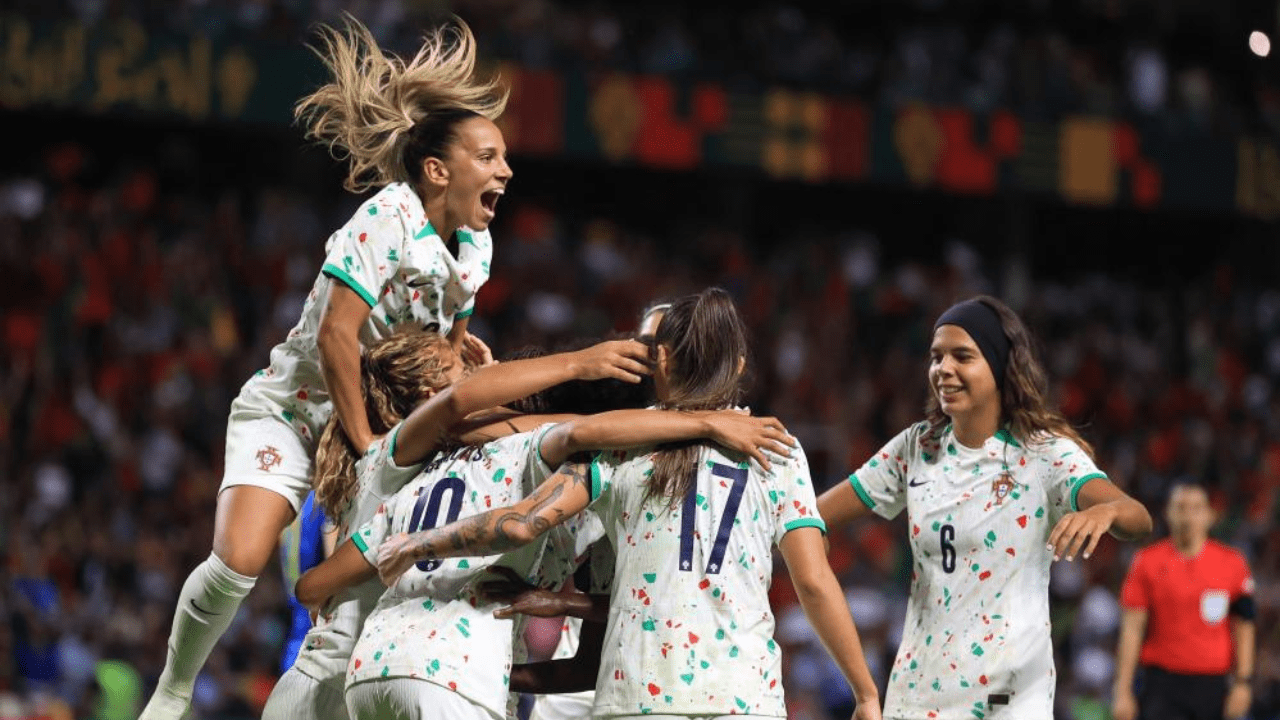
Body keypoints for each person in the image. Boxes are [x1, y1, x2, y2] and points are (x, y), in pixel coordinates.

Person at [139, 17, 513, 719]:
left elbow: (442, 343)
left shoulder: (477, 250)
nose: (505, 171)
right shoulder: (388, 217)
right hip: (300, 409)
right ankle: (173, 690)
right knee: (240, 562)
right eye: (489, 157)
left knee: (354, 605)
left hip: (374, 432)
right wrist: (370, 448)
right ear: (438, 170)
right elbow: (341, 338)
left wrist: (463, 353)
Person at [377, 287, 884, 720]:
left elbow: (519, 524)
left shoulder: (617, 448)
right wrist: (865, 693)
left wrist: (416, 542)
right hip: (742, 695)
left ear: (659, 359)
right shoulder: (777, 448)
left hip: (636, 693)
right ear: (741, 365)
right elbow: (814, 583)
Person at [262, 330, 656, 720]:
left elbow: (310, 586)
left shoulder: (409, 472)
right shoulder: (402, 453)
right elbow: (470, 413)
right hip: (415, 675)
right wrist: (581, 368)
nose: (480, 378)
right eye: (464, 370)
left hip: (355, 670)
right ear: (429, 394)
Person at [815, 295, 1153, 720]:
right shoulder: (915, 448)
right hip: (922, 695)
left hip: (1011, 697)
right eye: (936, 357)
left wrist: (1106, 511)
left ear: (998, 367)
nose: (944, 369)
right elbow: (810, 519)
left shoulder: (1045, 455)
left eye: (963, 356)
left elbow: (1137, 518)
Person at [524, 299, 670, 720]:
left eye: (668, 347)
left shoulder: (713, 464)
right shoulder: (592, 445)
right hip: (580, 679)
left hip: (670, 685)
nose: (655, 358)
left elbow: (669, 602)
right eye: (646, 344)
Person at [1112, 483, 1256, 720]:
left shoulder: (1233, 564)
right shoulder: (1146, 562)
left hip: (1213, 686)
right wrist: (1122, 690)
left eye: (1196, 508)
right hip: (1162, 684)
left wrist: (1243, 682)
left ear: (1210, 515)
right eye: (1180, 507)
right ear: (1168, 512)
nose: (1188, 516)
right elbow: (1131, 629)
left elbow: (1245, 624)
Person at [280, 492, 332, 673]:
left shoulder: (293, 500)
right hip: (319, 632)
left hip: (295, 639)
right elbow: (335, 559)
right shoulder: (325, 498)